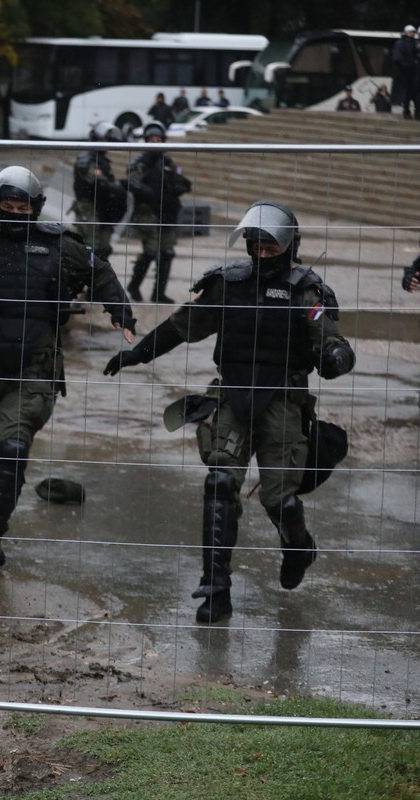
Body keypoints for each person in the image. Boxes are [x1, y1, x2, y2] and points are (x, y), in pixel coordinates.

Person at [103, 201, 355, 624]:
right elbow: (181, 326)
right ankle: (216, 591)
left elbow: (330, 337)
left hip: (283, 402)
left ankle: (298, 548)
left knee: (281, 501)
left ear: (290, 247)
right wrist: (137, 353)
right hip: (232, 398)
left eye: (270, 248)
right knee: (220, 483)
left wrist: (335, 355)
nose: (261, 254)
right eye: (255, 246)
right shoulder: (228, 285)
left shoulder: (306, 291)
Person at [0, 167, 136, 567]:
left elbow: (100, 272)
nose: (13, 213)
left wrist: (120, 311)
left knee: (12, 449)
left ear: (36, 207)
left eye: (21, 206)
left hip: (35, 366)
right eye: (6, 207)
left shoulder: (61, 244)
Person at [124, 121, 191, 304]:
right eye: (152, 139)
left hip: (168, 213)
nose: (156, 142)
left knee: (167, 253)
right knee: (151, 252)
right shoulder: (140, 162)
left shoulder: (168, 163)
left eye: (159, 139)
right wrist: (147, 192)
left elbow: (180, 179)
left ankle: (158, 293)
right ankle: (134, 285)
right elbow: (130, 181)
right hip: (148, 213)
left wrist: (179, 185)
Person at [71, 121, 128, 262]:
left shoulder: (102, 160)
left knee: (103, 250)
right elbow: (94, 178)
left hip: (103, 209)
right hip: (88, 208)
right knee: (89, 250)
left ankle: (96, 282)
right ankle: (77, 283)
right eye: (103, 139)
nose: (106, 142)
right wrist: (114, 187)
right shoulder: (87, 157)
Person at [391, 25, 418, 118]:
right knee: (407, 93)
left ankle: (416, 111)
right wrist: (408, 64)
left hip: (413, 72)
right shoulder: (400, 43)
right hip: (405, 73)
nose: (412, 34)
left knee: (414, 93)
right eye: (410, 32)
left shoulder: (415, 42)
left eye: (413, 32)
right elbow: (397, 58)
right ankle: (406, 111)